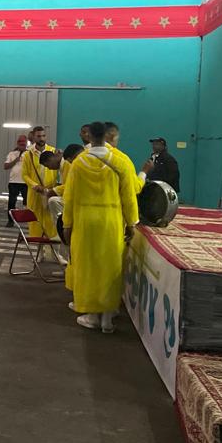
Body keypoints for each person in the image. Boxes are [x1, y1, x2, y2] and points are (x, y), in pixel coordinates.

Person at [62, 122, 139, 334]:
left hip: (85, 222)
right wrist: (131, 223)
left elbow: (69, 197)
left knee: (88, 267)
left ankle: (92, 315)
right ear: (107, 136)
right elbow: (129, 197)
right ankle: (107, 318)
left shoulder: (78, 163)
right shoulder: (120, 162)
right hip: (111, 221)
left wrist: (67, 224)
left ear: (89, 136)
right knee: (110, 268)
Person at [22, 126, 58, 240]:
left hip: (50, 193)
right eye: (38, 136)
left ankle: (52, 248)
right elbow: (24, 175)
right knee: (35, 222)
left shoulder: (53, 152)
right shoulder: (28, 154)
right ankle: (38, 248)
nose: (41, 138)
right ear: (33, 137)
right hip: (35, 194)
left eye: (43, 136)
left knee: (51, 221)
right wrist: (35, 186)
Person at [3, 135, 29, 226]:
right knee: (11, 202)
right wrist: (15, 160)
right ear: (17, 143)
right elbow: (5, 166)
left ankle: (29, 221)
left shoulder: (30, 154)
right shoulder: (11, 154)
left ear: (26, 143)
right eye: (20, 142)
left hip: (26, 182)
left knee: (28, 203)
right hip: (13, 182)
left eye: (23, 142)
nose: (22, 144)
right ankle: (10, 221)